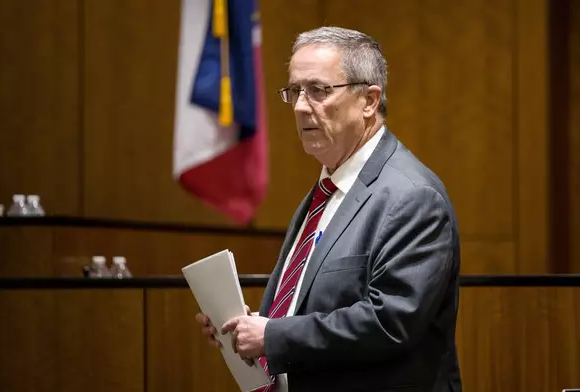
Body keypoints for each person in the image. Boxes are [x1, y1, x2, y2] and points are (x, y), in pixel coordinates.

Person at [197, 26, 462, 392]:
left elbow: (391, 322)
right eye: (295, 91)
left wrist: (274, 335)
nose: (302, 106)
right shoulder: (327, 190)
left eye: (319, 90)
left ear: (369, 100)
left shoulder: (412, 196)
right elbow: (316, 307)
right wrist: (249, 327)